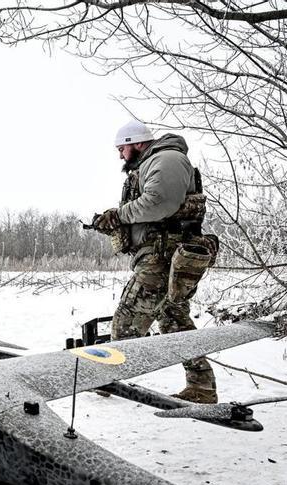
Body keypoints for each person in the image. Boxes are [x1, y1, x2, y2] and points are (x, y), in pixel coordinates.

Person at [92, 120, 219, 404]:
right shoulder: (152, 163)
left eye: (121, 148)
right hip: (160, 256)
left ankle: (103, 378)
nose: (120, 155)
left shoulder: (167, 158)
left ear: (136, 143)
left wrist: (120, 214)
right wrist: (116, 220)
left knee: (127, 320)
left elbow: (159, 203)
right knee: (174, 321)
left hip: (161, 258)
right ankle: (202, 386)